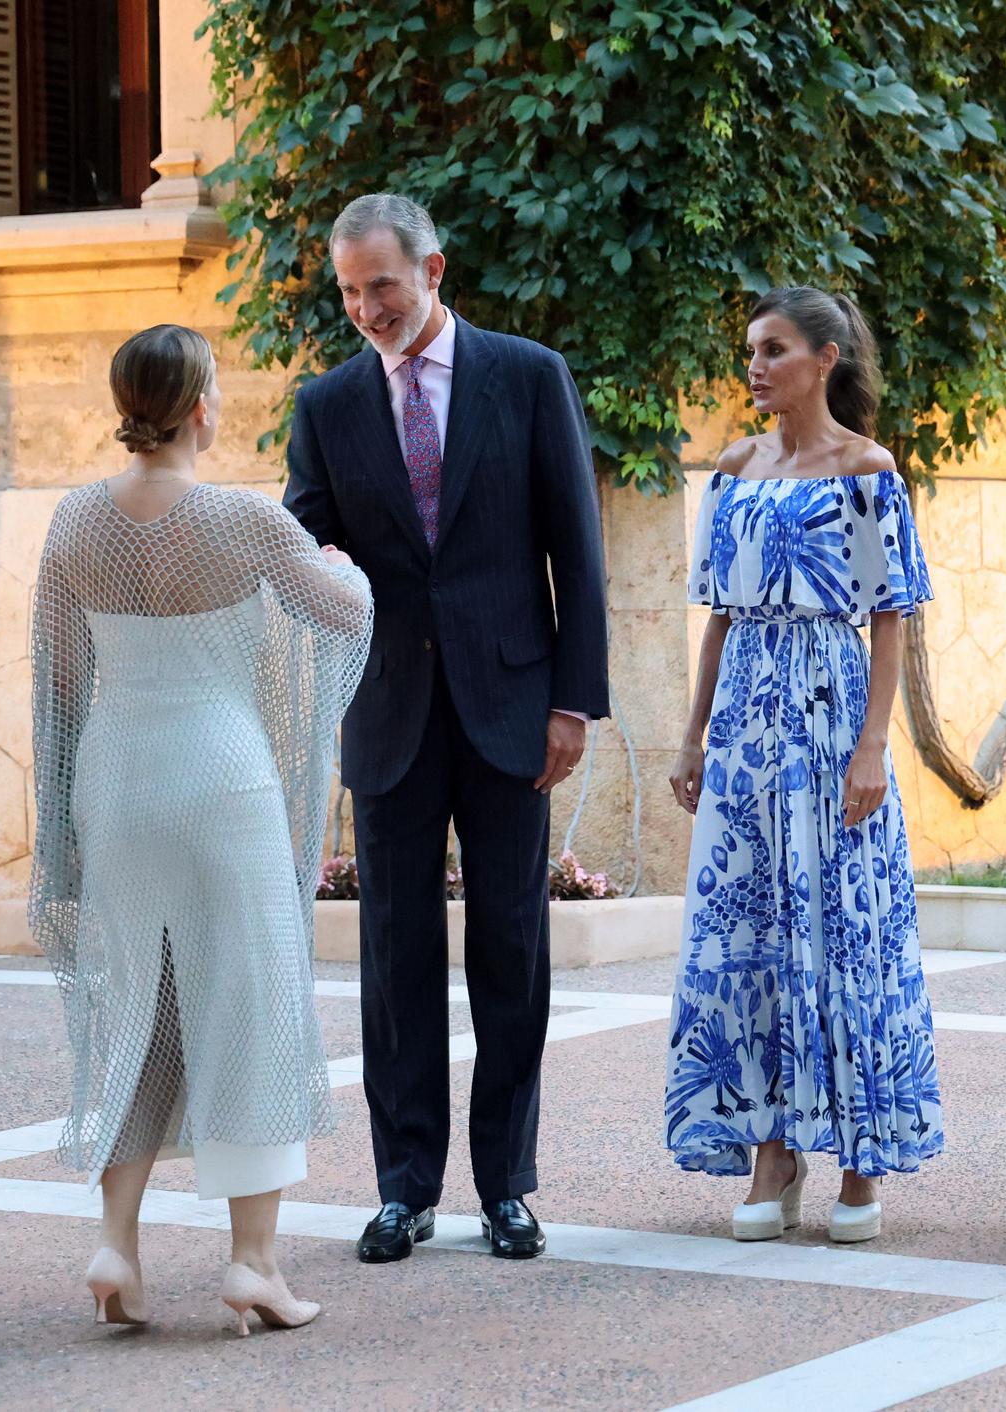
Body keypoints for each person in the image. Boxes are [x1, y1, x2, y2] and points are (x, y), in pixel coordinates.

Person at [283, 194, 610, 1263]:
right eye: (346, 291)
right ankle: (403, 1185)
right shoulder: (327, 404)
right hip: (388, 711)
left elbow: (577, 546)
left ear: (432, 267)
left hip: (514, 705)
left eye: (380, 284)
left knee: (510, 946)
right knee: (395, 952)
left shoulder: (526, 375)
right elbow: (304, 539)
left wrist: (575, 698)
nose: (365, 308)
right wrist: (297, 560)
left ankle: (506, 1183)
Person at [29, 324, 375, 1334]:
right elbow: (341, 614)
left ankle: (116, 1244)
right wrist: (341, 564)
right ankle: (253, 1262)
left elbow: (59, 685)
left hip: (118, 781)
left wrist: (61, 831)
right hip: (223, 781)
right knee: (252, 1005)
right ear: (198, 406)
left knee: (137, 1008)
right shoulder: (241, 519)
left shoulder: (74, 524)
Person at [665, 286, 943, 1245]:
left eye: (773, 349)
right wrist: (692, 736)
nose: (754, 365)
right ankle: (772, 1154)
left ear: (826, 357)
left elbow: (891, 615)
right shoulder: (735, 466)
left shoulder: (868, 472)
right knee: (749, 935)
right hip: (746, 727)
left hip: (831, 722)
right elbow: (719, 617)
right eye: (749, 349)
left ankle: (861, 1159)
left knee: (844, 926)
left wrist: (874, 746)